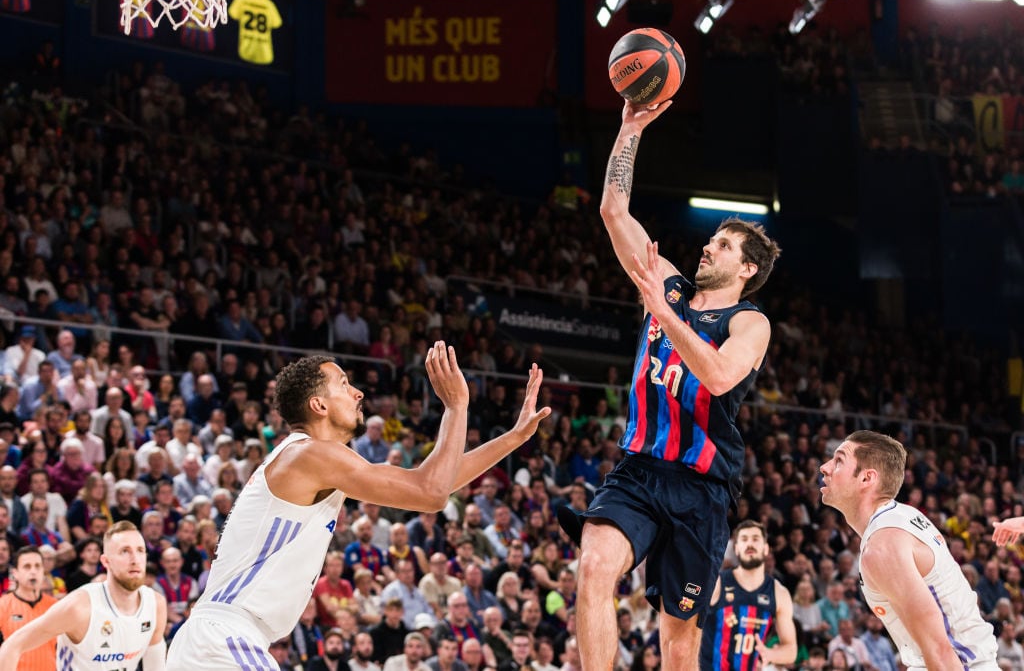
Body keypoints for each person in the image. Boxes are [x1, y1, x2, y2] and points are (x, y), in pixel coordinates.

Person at [559, 97, 781, 671]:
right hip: (637, 468)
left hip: (701, 487)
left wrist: (665, 315)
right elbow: (613, 211)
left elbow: (719, 375)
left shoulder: (748, 322)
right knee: (593, 567)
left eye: (725, 245)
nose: (709, 246)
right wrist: (630, 128)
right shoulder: (670, 286)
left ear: (748, 270)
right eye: (712, 240)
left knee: (679, 638)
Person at [167, 344, 550, 669]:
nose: (358, 393)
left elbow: (435, 480)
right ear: (318, 404)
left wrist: (513, 438)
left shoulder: (314, 460)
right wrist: (455, 407)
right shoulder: (310, 454)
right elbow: (431, 493)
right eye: (344, 384)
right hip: (223, 638)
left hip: (222, 639)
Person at [819, 429, 998, 670]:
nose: (825, 467)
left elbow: (940, 651)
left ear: (866, 478)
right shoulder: (901, 517)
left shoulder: (883, 545)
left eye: (839, 460)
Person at [0, 521, 168, 670]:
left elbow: (155, 662)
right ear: (106, 561)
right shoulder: (79, 607)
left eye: (140, 550)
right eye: (125, 551)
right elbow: (12, 646)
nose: (135, 559)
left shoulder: (156, 605)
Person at [699, 521, 796, 669]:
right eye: (744, 539)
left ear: (765, 549)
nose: (749, 544)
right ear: (736, 549)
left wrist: (769, 654)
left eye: (755, 539)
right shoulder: (717, 583)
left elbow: (791, 650)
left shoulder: (779, 593)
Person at [0, 546, 58, 671]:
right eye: (27, 566)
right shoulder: (3, 606)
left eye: (38, 566)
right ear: (15, 573)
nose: (33, 571)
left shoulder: (56, 607)